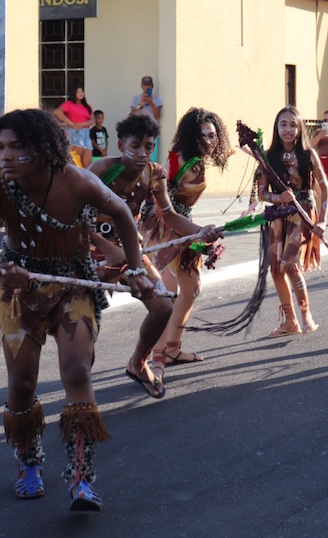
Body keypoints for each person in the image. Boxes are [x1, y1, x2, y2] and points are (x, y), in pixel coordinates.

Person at [0, 109, 158, 511]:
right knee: (22, 383)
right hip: (18, 293)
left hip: (71, 284)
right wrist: (2, 274)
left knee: (78, 370)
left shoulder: (76, 181)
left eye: (17, 147)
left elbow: (121, 215)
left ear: (43, 149)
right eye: (2, 147)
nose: (5, 156)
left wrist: (135, 269)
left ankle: (81, 478)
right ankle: (29, 462)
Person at [89, 113, 221, 397]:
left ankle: (138, 363)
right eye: (135, 146)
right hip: (88, 253)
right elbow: (73, 218)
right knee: (84, 329)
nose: (142, 153)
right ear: (121, 143)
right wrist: (107, 249)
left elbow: (169, 214)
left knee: (163, 307)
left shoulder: (154, 173)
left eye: (148, 147)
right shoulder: (100, 170)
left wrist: (201, 231)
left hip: (131, 252)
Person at [141, 108, 232, 385]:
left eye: (213, 135)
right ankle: (155, 359)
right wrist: (198, 232)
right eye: (203, 134)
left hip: (183, 227)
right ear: (192, 135)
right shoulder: (181, 160)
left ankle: (172, 348)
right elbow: (163, 209)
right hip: (165, 231)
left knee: (191, 289)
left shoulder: (194, 160)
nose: (209, 140)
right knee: (167, 298)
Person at [256, 106, 328, 337]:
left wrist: (324, 221)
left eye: (293, 124)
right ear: (276, 128)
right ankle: (290, 321)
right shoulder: (267, 157)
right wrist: (277, 197)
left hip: (302, 215)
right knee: (276, 269)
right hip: (278, 218)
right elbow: (261, 194)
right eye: (283, 124)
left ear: (300, 128)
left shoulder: (309, 154)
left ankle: (305, 314)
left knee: (289, 264)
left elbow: (325, 187)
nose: (288, 129)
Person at [53, 86, 96, 168]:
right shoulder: (69, 104)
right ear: (73, 93)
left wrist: (82, 124)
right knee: (76, 159)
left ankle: (86, 179)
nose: (81, 93)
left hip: (86, 132)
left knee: (88, 161)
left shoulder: (87, 106)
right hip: (75, 132)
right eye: (78, 92)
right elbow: (57, 112)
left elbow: (93, 120)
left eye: (82, 91)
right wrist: (71, 123)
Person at [129, 76, 163, 161]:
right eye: (145, 84)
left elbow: (157, 116)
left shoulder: (156, 99)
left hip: (152, 133)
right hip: (138, 132)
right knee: (138, 157)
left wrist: (151, 103)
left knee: (151, 158)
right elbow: (132, 114)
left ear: (152, 87)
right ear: (142, 86)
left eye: (149, 85)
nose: (147, 87)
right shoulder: (135, 98)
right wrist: (141, 105)